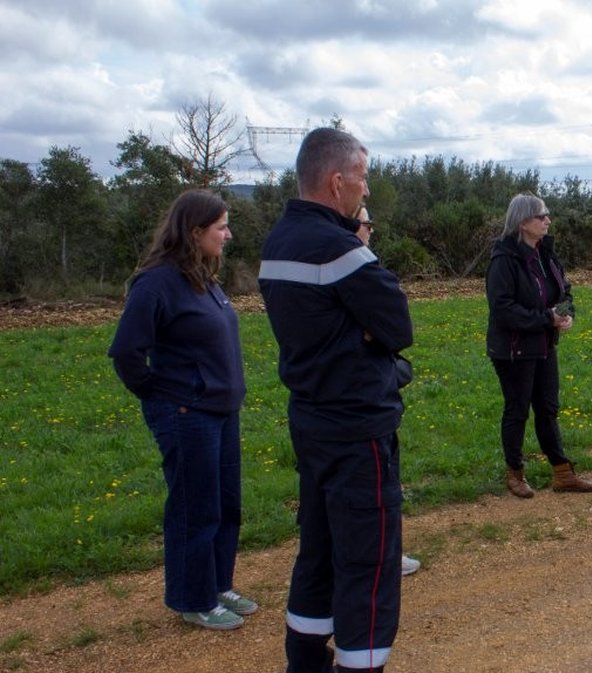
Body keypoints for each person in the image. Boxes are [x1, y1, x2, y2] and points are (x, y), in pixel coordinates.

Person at [259, 127, 414, 673]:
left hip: (311, 417)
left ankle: (304, 659)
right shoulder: (341, 248)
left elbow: (374, 328)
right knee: (369, 562)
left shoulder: (279, 240)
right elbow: (398, 324)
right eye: (363, 178)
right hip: (357, 426)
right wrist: (367, 336)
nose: (365, 191)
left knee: (318, 548)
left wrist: (362, 334)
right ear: (336, 179)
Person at [108, 189, 257, 631]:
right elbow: (126, 353)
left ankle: (217, 583)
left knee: (226, 503)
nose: (228, 235)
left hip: (221, 410)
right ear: (194, 232)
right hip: (188, 413)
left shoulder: (204, 278)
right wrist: (163, 395)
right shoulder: (155, 283)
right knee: (197, 508)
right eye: (221, 228)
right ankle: (192, 598)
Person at [486, 193, 592, 497]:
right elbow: (503, 309)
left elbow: (565, 292)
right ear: (523, 222)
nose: (547, 220)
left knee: (548, 409)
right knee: (518, 410)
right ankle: (515, 473)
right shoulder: (504, 259)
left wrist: (565, 315)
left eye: (546, 215)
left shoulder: (545, 254)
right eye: (541, 215)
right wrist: (545, 319)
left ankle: (562, 473)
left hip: (545, 345)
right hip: (513, 349)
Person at [352, 204, 421, 578]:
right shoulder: (354, 266)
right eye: (367, 223)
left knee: (384, 483)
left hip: (380, 384)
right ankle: (379, 557)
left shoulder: (359, 263)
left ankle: (387, 552)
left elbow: (392, 328)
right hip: (365, 397)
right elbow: (396, 327)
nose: (371, 230)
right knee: (373, 489)